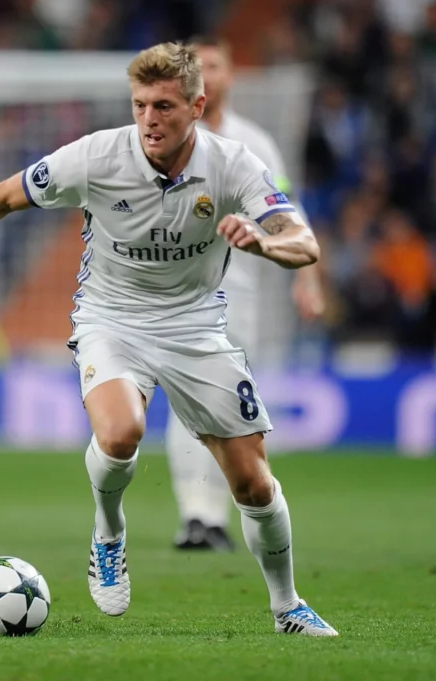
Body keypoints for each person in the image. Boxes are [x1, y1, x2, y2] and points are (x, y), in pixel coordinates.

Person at [0, 42, 338, 636]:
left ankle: (287, 606)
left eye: (164, 106)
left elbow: (303, 241)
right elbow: (0, 198)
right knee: (121, 433)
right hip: (112, 319)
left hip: (196, 325)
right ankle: (109, 532)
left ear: (196, 107)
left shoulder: (234, 162)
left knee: (253, 482)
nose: (149, 119)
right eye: (140, 105)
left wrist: (267, 243)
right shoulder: (97, 155)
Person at [167, 37, 326, 552]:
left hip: (239, 293)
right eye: (197, 67)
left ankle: (216, 514)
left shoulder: (254, 142)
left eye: (215, 65)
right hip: (178, 291)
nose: (207, 75)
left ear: (230, 75)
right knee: (186, 401)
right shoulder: (166, 139)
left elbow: (287, 211)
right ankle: (196, 516)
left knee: (231, 404)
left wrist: (307, 278)